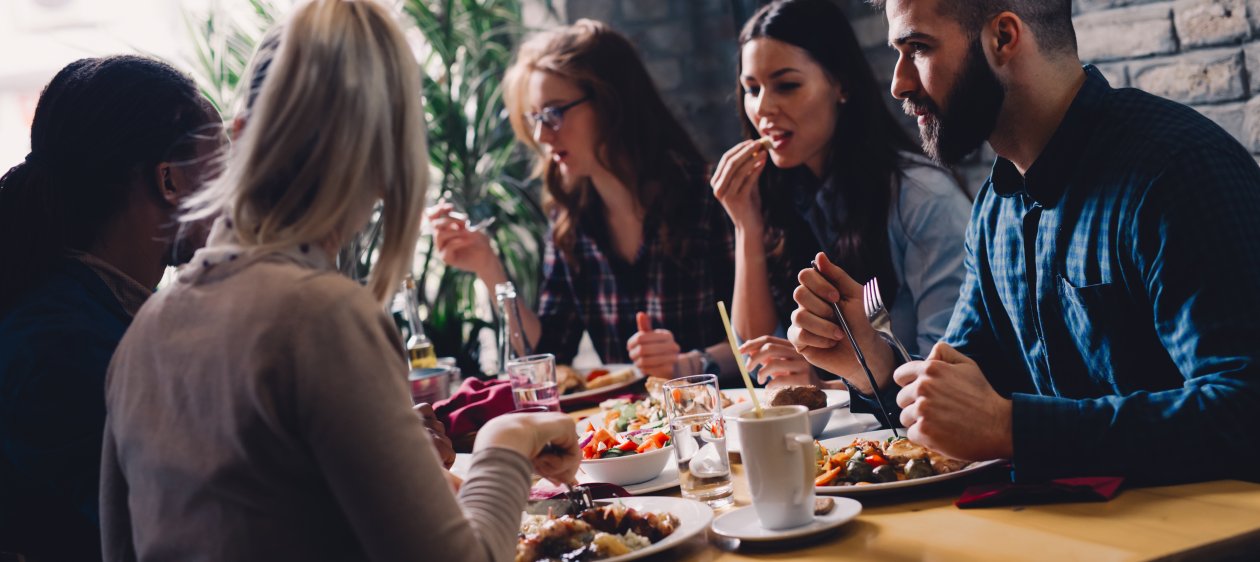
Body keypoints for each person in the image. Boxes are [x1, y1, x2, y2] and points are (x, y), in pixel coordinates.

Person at [100, 1, 579, 560]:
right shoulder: (323, 315)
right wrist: (509, 441)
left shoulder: (142, 336)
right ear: (386, 160)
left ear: (241, 136)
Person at [788, 0, 1260, 484]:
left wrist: (1010, 427)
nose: (899, 83)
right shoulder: (996, 204)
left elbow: (1245, 409)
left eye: (918, 49)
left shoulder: (1178, 172)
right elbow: (961, 390)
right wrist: (874, 364)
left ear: (1004, 38)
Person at [0, 55, 224, 561]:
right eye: (224, 168)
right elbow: (181, 527)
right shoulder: (56, 349)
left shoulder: (97, 314)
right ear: (170, 182)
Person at [427, 19, 738, 379]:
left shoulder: (707, 196)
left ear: (612, 102)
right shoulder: (571, 220)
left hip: (719, 417)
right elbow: (548, 355)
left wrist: (689, 363)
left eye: (555, 112)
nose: (542, 135)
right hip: (629, 428)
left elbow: (760, 338)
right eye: (535, 119)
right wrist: (488, 268)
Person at [698, 0, 970, 388]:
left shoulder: (922, 198)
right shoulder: (784, 194)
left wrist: (819, 382)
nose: (763, 108)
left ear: (841, 84)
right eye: (751, 89)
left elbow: (947, 365)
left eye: (787, 85)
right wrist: (745, 224)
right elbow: (757, 357)